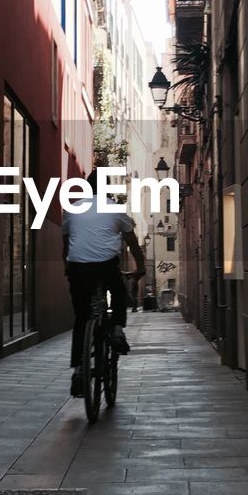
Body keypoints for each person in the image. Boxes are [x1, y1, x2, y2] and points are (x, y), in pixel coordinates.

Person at [63, 169, 146, 398]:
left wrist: (67, 268)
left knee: (82, 318)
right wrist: (140, 268)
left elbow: (66, 244)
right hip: (106, 266)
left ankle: (80, 371)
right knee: (118, 290)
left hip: (78, 268)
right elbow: (133, 244)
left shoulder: (72, 209)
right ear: (107, 188)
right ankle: (118, 330)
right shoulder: (115, 210)